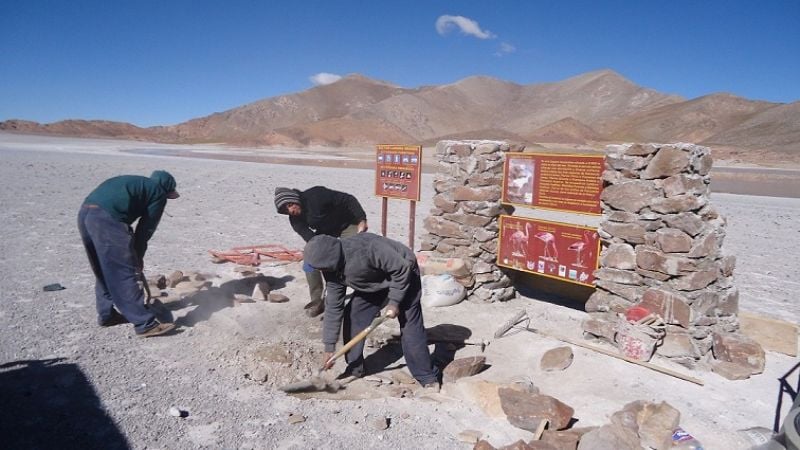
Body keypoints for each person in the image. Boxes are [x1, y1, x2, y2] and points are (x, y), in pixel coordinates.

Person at [303, 233, 440, 390]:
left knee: (410, 326)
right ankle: (355, 368)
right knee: (353, 316)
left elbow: (402, 269)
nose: (318, 271)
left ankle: (427, 377)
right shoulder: (331, 269)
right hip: (375, 282)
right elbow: (333, 306)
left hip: (404, 273)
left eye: (318, 267)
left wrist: (394, 302)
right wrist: (329, 347)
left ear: (329, 261)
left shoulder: (368, 249)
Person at [78, 170, 179, 337]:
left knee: (103, 269)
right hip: (108, 219)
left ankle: (106, 314)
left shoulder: (138, 183)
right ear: (166, 189)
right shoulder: (158, 192)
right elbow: (146, 229)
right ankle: (145, 324)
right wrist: (137, 257)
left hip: (85, 213)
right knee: (124, 273)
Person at [274, 186, 368, 317]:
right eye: (285, 210)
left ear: (295, 199)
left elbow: (348, 199)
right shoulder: (294, 219)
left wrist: (361, 220)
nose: (290, 211)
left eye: (290, 205)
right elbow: (311, 238)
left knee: (355, 255)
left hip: (347, 224)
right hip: (327, 232)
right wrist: (320, 255)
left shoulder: (317, 195)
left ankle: (367, 300)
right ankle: (316, 300)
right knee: (309, 261)